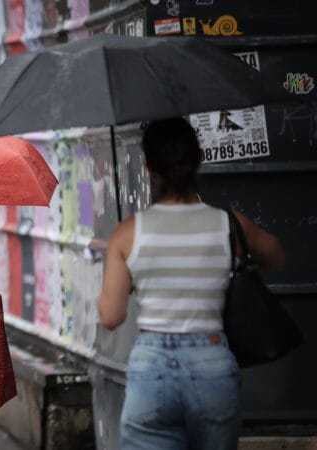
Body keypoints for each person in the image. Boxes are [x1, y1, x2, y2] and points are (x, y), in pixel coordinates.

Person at [97, 118, 285, 450]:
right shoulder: (229, 224)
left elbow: (111, 316)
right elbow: (276, 259)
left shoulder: (127, 233)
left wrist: (128, 271)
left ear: (150, 168)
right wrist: (237, 258)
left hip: (151, 366)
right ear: (199, 158)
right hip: (211, 363)